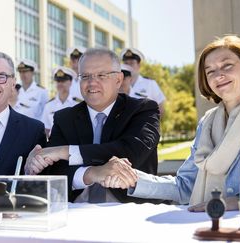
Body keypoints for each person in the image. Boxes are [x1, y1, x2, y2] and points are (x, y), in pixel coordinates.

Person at [101, 36, 240, 211]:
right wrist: (132, 178)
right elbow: (184, 186)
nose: (219, 75)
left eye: (227, 66)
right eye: (210, 71)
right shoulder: (207, 123)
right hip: (207, 229)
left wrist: (239, 202)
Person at [25, 48, 160, 203]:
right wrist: (91, 173)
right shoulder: (65, 118)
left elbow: (130, 152)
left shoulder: (143, 109)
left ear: (118, 79)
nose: (92, 83)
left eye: (101, 75)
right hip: (76, 211)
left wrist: (64, 151)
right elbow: (56, 172)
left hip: (132, 210)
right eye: (85, 76)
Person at [120, 47, 166, 116]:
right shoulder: (118, 84)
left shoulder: (150, 84)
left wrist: (150, 124)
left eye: (132, 63)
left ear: (139, 65)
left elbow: (161, 108)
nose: (128, 66)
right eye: (126, 63)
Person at [41, 66, 78, 137]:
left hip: (73, 145)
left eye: (63, 81)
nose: (60, 84)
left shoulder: (77, 104)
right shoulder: (49, 105)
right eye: (58, 81)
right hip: (54, 145)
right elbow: (46, 129)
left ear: (70, 82)